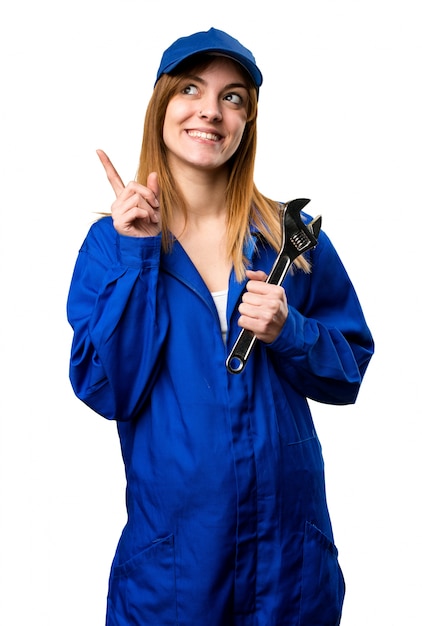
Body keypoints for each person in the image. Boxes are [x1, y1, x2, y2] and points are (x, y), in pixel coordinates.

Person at [67, 27, 374, 626]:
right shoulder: (111, 247)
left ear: (247, 122)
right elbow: (110, 390)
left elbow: (350, 369)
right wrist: (137, 257)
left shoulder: (289, 239)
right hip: (176, 569)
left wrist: (292, 331)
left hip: (287, 562)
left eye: (232, 97)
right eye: (190, 90)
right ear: (162, 106)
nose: (210, 110)